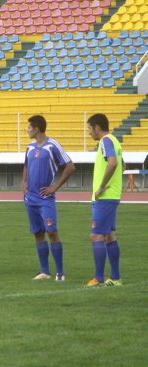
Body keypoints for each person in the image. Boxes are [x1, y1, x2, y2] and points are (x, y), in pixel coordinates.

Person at [22, 115, 75, 281]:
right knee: (38, 233)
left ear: (37, 128)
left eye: (29, 127)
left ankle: (60, 273)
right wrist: (23, 182)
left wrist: (55, 187)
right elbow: (26, 165)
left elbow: (70, 166)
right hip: (30, 198)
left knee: (52, 232)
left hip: (45, 199)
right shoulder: (30, 147)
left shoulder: (53, 145)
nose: (27, 130)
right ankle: (45, 271)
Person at [85, 114, 123, 288]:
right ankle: (115, 278)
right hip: (112, 195)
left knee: (96, 236)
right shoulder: (115, 140)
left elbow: (114, 163)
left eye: (90, 129)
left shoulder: (105, 141)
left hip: (105, 197)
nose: (90, 132)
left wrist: (101, 186)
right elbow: (123, 165)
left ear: (97, 127)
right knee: (109, 236)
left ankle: (99, 278)